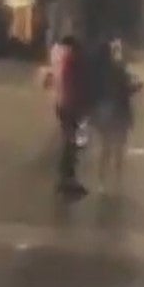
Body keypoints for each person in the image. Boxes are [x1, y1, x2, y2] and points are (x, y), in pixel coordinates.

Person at [92, 40, 140, 194]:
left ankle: (103, 182)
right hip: (119, 113)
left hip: (109, 112)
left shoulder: (106, 70)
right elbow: (125, 90)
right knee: (117, 149)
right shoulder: (120, 70)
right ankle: (114, 182)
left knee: (107, 149)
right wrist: (136, 88)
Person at [46, 30, 87, 196]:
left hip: (63, 105)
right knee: (70, 142)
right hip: (69, 106)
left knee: (69, 141)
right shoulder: (70, 63)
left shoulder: (61, 60)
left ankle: (67, 177)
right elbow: (72, 87)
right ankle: (67, 178)